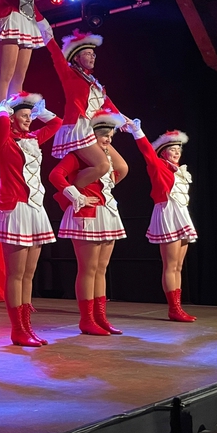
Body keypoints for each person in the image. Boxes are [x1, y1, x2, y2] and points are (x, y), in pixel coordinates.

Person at [0, 91, 61, 347]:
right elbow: (0, 122)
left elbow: (57, 123)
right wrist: (5, 108)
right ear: (12, 117)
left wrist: (40, 110)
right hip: (14, 208)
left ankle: (27, 327)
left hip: (35, 207)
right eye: (24, 115)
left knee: (29, 274)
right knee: (16, 274)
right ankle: (17, 329)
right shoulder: (2, 139)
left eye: (30, 116)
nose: (29, 119)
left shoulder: (33, 138)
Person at [49, 110, 127, 336]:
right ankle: (87, 319)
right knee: (88, 269)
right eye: (104, 136)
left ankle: (101, 317)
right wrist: (76, 195)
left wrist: (106, 139)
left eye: (111, 137)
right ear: (91, 136)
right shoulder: (78, 155)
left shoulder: (105, 159)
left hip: (106, 213)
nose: (108, 140)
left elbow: (123, 168)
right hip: (86, 214)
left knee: (101, 269)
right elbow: (55, 175)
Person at [123, 120, 198, 322]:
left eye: (178, 149)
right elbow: (147, 151)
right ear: (163, 152)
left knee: (179, 266)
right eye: (172, 149)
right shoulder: (158, 166)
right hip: (168, 213)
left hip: (181, 215)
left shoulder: (178, 171)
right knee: (170, 265)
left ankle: (178, 307)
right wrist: (137, 131)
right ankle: (174, 308)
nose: (176, 152)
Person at [46, 30, 129, 188]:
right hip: (79, 128)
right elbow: (56, 54)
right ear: (76, 57)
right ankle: (74, 195)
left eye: (93, 54)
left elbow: (106, 102)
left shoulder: (93, 81)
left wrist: (122, 119)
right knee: (103, 165)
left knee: (121, 168)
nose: (92, 57)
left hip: (93, 129)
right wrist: (45, 30)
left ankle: (101, 193)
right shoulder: (70, 74)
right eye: (88, 54)